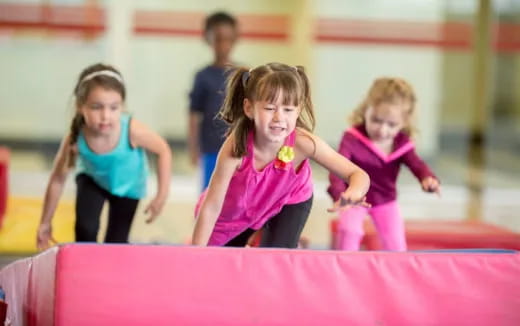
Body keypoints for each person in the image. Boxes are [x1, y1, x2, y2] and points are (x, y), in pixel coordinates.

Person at [192, 62, 370, 248]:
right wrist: (197, 253)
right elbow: (212, 206)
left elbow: (358, 174)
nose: (279, 118)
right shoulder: (236, 148)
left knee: (275, 257)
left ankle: (279, 238)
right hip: (236, 212)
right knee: (223, 261)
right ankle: (259, 234)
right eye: (269, 108)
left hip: (289, 199)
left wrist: (353, 192)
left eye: (288, 110)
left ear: (298, 111)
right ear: (249, 108)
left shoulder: (304, 143)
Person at [36, 63, 172, 249]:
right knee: (85, 229)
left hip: (128, 186)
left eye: (113, 108)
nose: (105, 116)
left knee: (115, 244)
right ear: (80, 107)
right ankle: (83, 271)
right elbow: (57, 179)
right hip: (93, 180)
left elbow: (163, 150)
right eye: (96, 107)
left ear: (122, 107)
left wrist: (161, 196)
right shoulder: (75, 138)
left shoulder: (132, 130)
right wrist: (45, 222)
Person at [328, 77, 441, 251]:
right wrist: (340, 195)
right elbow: (337, 168)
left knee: (395, 242)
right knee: (349, 230)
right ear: (366, 110)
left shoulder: (402, 144)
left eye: (392, 124)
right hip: (354, 197)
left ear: (404, 122)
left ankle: (396, 273)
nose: (382, 130)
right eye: (376, 120)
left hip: (386, 201)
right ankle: (345, 268)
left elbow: (417, 165)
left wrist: (428, 179)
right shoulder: (352, 138)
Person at [188, 11, 239, 191]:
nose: (223, 44)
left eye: (228, 39)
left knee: (234, 194)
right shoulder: (202, 76)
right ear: (208, 39)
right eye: (218, 39)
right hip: (210, 149)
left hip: (237, 148)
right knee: (209, 194)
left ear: (235, 39)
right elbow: (194, 114)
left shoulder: (242, 75)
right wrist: (193, 148)